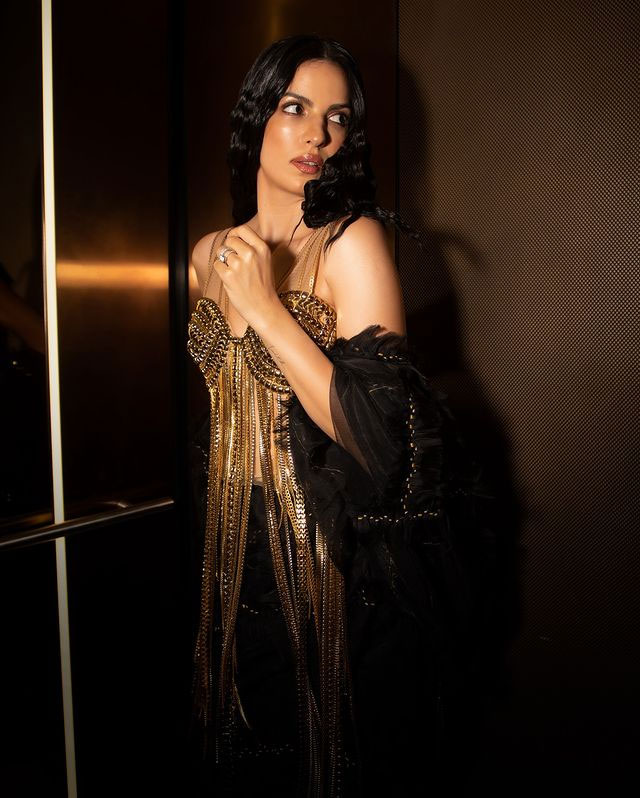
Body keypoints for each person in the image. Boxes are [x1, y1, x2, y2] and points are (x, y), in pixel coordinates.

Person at [187, 33, 496, 798]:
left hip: (331, 569)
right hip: (230, 559)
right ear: (256, 115)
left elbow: (386, 448)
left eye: (337, 118)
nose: (318, 136)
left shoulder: (351, 244)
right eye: (295, 108)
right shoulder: (207, 255)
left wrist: (266, 309)